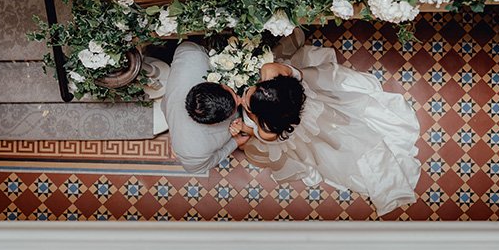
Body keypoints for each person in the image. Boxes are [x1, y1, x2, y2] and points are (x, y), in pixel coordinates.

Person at [231, 38, 422, 217]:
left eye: (247, 103)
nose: (243, 96)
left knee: (328, 137)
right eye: (250, 90)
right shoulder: (270, 71)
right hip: (299, 97)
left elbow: (257, 134)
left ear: (265, 117)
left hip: (308, 114)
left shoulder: (269, 131)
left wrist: (246, 129)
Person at [162, 41, 249, 174]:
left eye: (233, 93)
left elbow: (187, 44)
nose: (240, 99)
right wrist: (235, 142)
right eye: (236, 105)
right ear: (216, 122)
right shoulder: (194, 151)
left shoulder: (191, 54)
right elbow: (197, 169)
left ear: (212, 83)